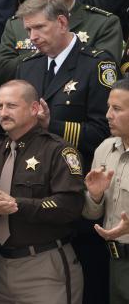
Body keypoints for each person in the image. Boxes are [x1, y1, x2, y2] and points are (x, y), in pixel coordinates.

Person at [0, 79, 84, 304]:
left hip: (44, 265)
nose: (3, 113)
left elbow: (71, 206)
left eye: (11, 106)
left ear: (35, 108)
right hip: (1, 266)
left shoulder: (58, 150)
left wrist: (17, 205)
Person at [0, 0, 123, 107]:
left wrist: (59, 49)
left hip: (76, 112)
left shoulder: (103, 23)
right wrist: (42, 54)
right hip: (28, 109)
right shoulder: (17, 24)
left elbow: (104, 76)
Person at [15, 0, 115, 169]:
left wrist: (51, 125)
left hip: (77, 170)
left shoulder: (97, 65)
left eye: (39, 27)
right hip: (31, 169)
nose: (32, 37)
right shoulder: (27, 66)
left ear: (61, 23)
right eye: (28, 30)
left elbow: (105, 132)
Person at [83, 78, 129, 303]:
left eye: (117, 109)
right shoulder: (105, 149)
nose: (108, 115)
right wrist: (95, 195)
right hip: (113, 262)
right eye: (109, 107)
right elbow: (91, 214)